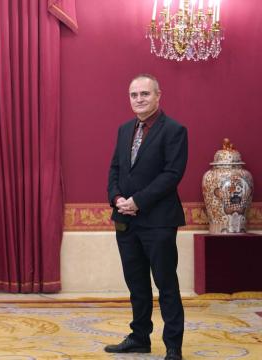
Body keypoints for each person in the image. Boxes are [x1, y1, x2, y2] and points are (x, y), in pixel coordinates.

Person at [106, 74, 187, 360]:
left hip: (159, 221)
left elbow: (171, 175)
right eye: (133, 95)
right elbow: (115, 169)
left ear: (158, 95)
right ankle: (140, 337)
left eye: (144, 94)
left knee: (166, 284)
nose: (139, 99)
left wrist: (138, 201)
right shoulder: (124, 129)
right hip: (126, 221)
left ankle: (173, 345)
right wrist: (117, 199)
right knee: (136, 284)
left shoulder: (175, 130)